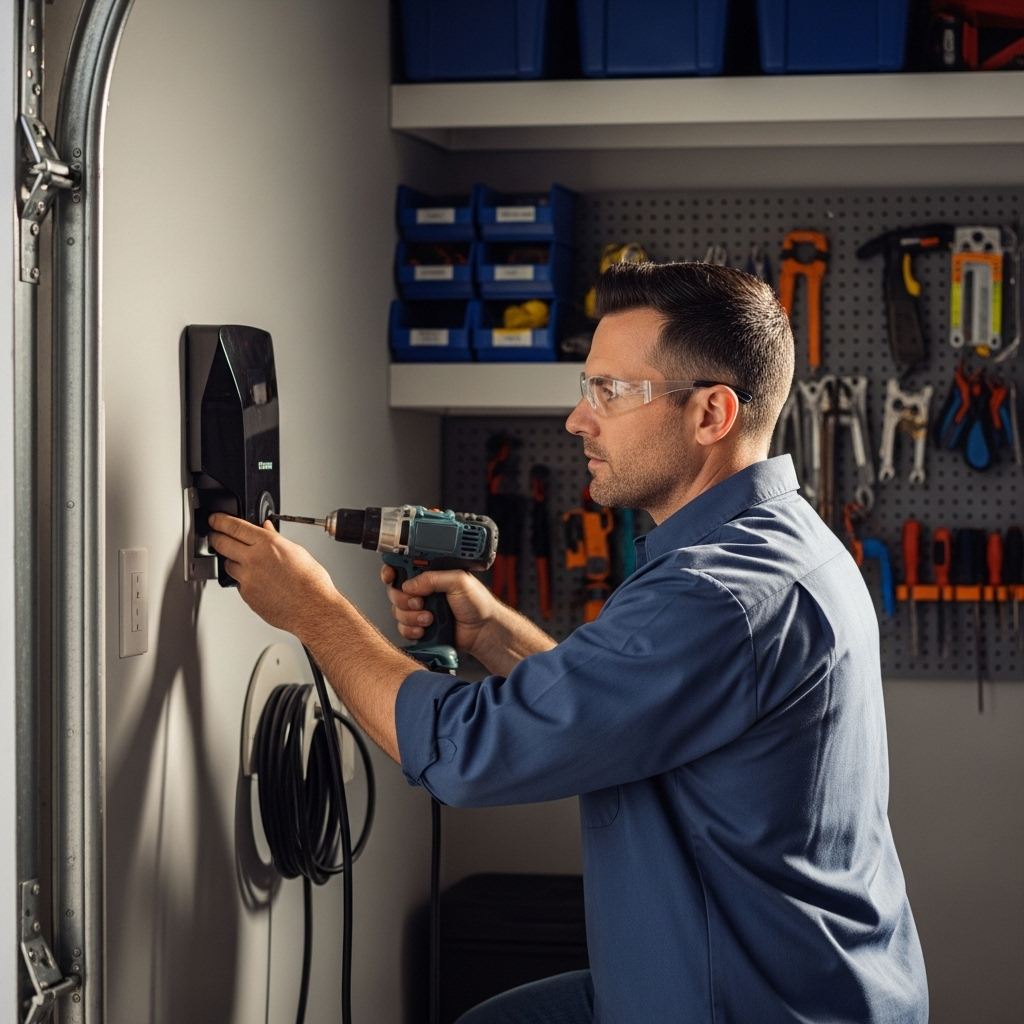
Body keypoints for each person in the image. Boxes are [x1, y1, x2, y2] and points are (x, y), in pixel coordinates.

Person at [209, 261, 928, 1024]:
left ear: (712, 414)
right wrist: (490, 631)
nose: (577, 421)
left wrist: (315, 612)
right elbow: (632, 705)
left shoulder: (711, 595)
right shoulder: (783, 540)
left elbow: (466, 751)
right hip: (783, 975)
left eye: (609, 393)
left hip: (743, 1002)